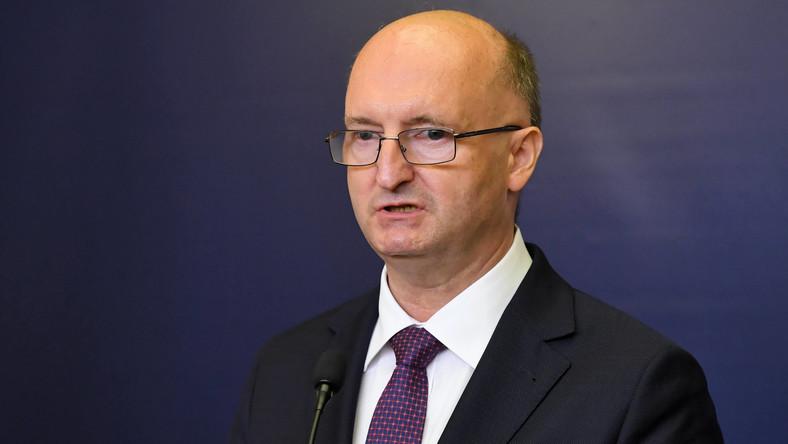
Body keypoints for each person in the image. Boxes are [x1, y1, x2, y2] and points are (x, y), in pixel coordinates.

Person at [230, 10, 723, 444]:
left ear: (518, 156)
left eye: (430, 134)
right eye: (365, 135)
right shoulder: (285, 370)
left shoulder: (636, 387)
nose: (388, 173)